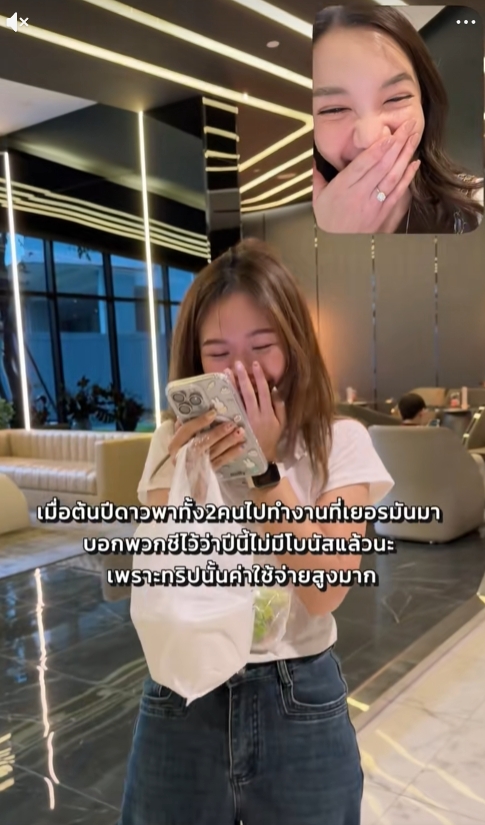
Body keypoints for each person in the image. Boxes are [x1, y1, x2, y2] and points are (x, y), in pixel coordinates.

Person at [119, 239, 394, 825]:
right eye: (217, 353)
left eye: (262, 348)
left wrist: (263, 472)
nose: (239, 372)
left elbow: (324, 591)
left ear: (293, 346)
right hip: (184, 689)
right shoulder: (172, 444)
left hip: (298, 692)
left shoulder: (340, 442)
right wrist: (193, 462)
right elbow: (176, 571)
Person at [312, 5, 484, 234]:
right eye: (334, 110)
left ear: (424, 101)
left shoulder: (475, 206)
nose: (372, 139)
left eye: (396, 98)